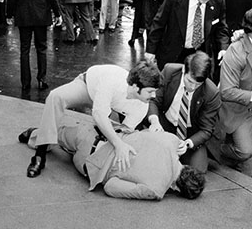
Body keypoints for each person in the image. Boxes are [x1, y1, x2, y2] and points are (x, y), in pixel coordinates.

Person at [23, 61, 161, 178]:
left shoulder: (143, 106)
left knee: (94, 137)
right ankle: (39, 156)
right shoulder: (113, 80)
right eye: (150, 91)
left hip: (107, 105)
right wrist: (118, 143)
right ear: (136, 87)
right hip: (87, 88)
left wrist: (119, 141)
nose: (154, 96)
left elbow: (122, 132)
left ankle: (35, 134)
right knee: (55, 97)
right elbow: (99, 115)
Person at [20, 125, 205, 200]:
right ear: (178, 189)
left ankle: (35, 133)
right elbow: (110, 187)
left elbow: (145, 132)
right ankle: (41, 138)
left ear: (188, 167)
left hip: (102, 134)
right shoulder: (156, 190)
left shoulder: (172, 141)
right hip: (91, 162)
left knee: (62, 134)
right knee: (70, 152)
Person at [214, 6, 252, 183]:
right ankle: (214, 147)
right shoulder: (236, 52)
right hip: (239, 110)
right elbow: (227, 92)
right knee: (244, 152)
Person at [147, 51, 220, 173]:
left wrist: (188, 143)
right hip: (165, 124)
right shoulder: (169, 71)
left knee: (198, 170)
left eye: (198, 84)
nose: (192, 87)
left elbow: (207, 129)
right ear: (184, 70)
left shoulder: (211, 93)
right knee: (152, 158)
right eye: (190, 81)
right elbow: (154, 100)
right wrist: (154, 121)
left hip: (190, 132)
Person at [146, 0, 229, 71]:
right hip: (174, 51)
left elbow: (221, 28)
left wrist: (223, 48)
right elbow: (158, 24)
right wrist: (150, 51)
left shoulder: (218, 1)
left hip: (200, 54)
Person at [6, 0, 61, 92]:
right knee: (42, 48)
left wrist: (9, 14)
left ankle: (25, 82)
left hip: (23, 16)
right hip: (41, 16)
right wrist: (57, 14)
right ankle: (42, 79)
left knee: (24, 49)